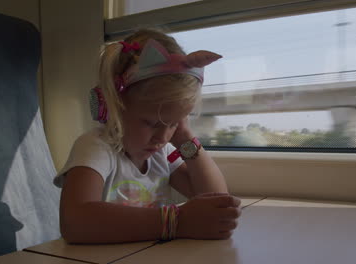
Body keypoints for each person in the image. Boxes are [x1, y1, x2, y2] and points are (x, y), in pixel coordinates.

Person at [54, 28, 241, 244]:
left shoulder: (162, 153)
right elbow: (75, 222)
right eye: (151, 123)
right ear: (114, 104)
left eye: (173, 123)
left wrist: (185, 138)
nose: (162, 137)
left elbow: (216, 204)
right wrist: (176, 222)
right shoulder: (96, 147)